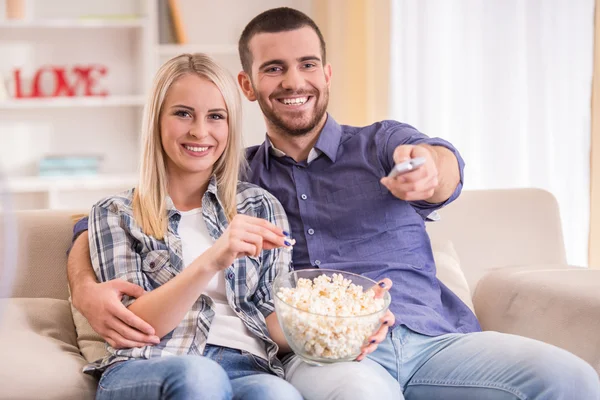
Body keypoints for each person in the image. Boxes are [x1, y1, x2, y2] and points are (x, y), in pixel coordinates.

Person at [68, 7, 600, 400]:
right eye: (274, 68)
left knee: (573, 379)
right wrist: (86, 289)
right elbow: (100, 222)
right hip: (326, 355)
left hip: (431, 339)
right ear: (248, 85)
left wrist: (429, 169)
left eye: (307, 64)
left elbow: (442, 169)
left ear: (327, 72)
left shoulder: (380, 145)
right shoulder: (235, 180)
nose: (294, 81)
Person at [81, 52, 307, 400]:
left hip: (246, 365)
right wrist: (212, 260)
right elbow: (138, 324)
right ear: (157, 120)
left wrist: (335, 326)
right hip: (153, 361)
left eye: (216, 116)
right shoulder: (116, 212)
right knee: (201, 378)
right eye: (183, 113)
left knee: (278, 394)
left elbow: (270, 317)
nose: (200, 131)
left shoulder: (258, 206)